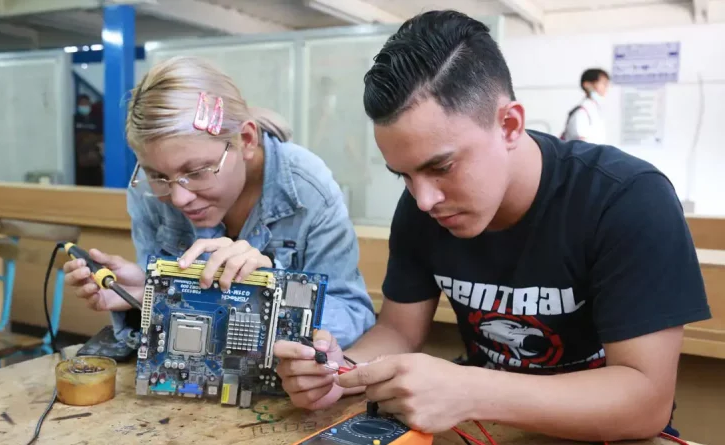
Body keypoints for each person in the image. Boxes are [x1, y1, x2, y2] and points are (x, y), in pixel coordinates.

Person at [274, 10, 710, 443]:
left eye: (441, 166)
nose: (424, 198)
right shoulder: (423, 207)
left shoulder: (626, 198)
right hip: (490, 427)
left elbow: (646, 400)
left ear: (510, 125)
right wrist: (341, 368)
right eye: (402, 175)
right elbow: (399, 330)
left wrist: (471, 390)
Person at [62, 56, 376, 349]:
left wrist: (272, 289)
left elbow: (353, 314)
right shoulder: (149, 191)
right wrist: (147, 293)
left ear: (247, 141)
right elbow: (172, 327)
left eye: (196, 172)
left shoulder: (308, 189)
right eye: (157, 175)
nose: (179, 197)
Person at [561, 68, 610, 144]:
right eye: (603, 83)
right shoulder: (581, 112)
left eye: (607, 84)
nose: (606, 88)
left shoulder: (595, 110)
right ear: (587, 85)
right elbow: (581, 145)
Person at [74, 94, 104, 186]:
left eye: (86, 104)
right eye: (82, 104)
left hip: (94, 161)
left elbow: (101, 136)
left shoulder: (96, 120)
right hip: (80, 163)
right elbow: (76, 139)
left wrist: (88, 139)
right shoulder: (75, 119)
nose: (84, 106)